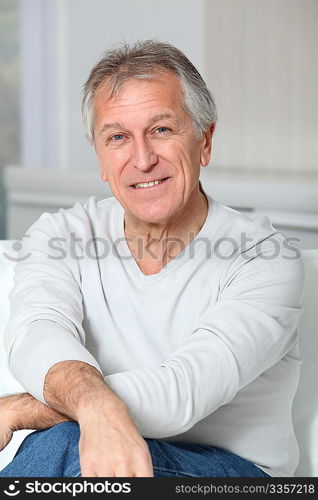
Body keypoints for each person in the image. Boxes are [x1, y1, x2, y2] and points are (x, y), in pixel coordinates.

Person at [0, 40, 304, 478]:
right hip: (88, 452)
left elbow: (180, 394)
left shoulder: (264, 258)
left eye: (162, 129)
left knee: (65, 443)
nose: (142, 159)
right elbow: (36, 336)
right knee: (71, 445)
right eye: (118, 137)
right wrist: (94, 410)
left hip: (231, 473)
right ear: (100, 156)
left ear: (205, 140)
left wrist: (30, 407)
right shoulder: (60, 235)